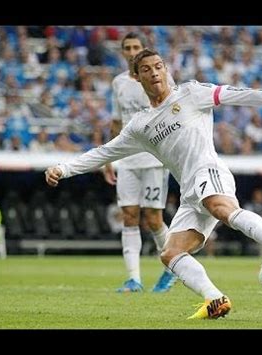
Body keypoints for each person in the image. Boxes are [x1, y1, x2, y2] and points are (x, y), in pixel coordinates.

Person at [45, 48, 262, 319]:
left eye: (158, 66)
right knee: (170, 253)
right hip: (190, 191)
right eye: (146, 69)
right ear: (137, 78)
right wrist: (64, 168)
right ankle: (215, 298)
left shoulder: (191, 93)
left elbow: (241, 94)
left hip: (209, 171)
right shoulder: (140, 125)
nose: (154, 72)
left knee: (221, 208)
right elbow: (104, 152)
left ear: (166, 69)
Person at [103, 33, 176, 293]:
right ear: (122, 52)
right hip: (127, 160)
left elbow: (174, 114)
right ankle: (133, 279)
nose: (132, 51)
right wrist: (109, 159)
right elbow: (116, 122)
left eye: (136, 47)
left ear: (143, 50)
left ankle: (172, 269)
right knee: (129, 216)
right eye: (127, 48)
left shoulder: (160, 78)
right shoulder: (118, 83)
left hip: (154, 158)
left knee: (154, 219)